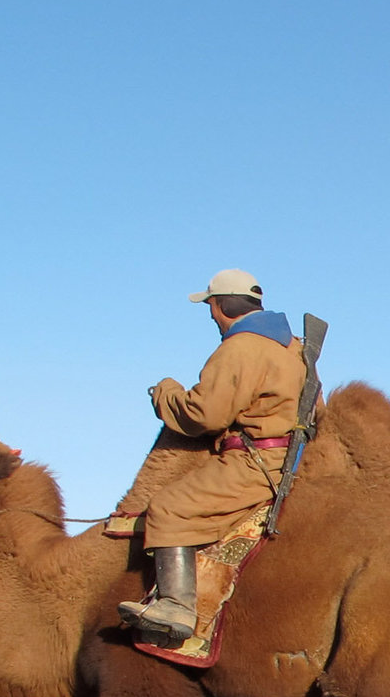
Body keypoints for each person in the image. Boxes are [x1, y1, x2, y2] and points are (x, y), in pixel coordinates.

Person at [116, 268, 307, 643]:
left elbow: (205, 415)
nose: (212, 317)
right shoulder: (294, 348)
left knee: (170, 507)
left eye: (212, 308)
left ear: (220, 305)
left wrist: (166, 394)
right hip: (291, 461)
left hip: (255, 463)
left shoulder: (241, 347)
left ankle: (175, 607)